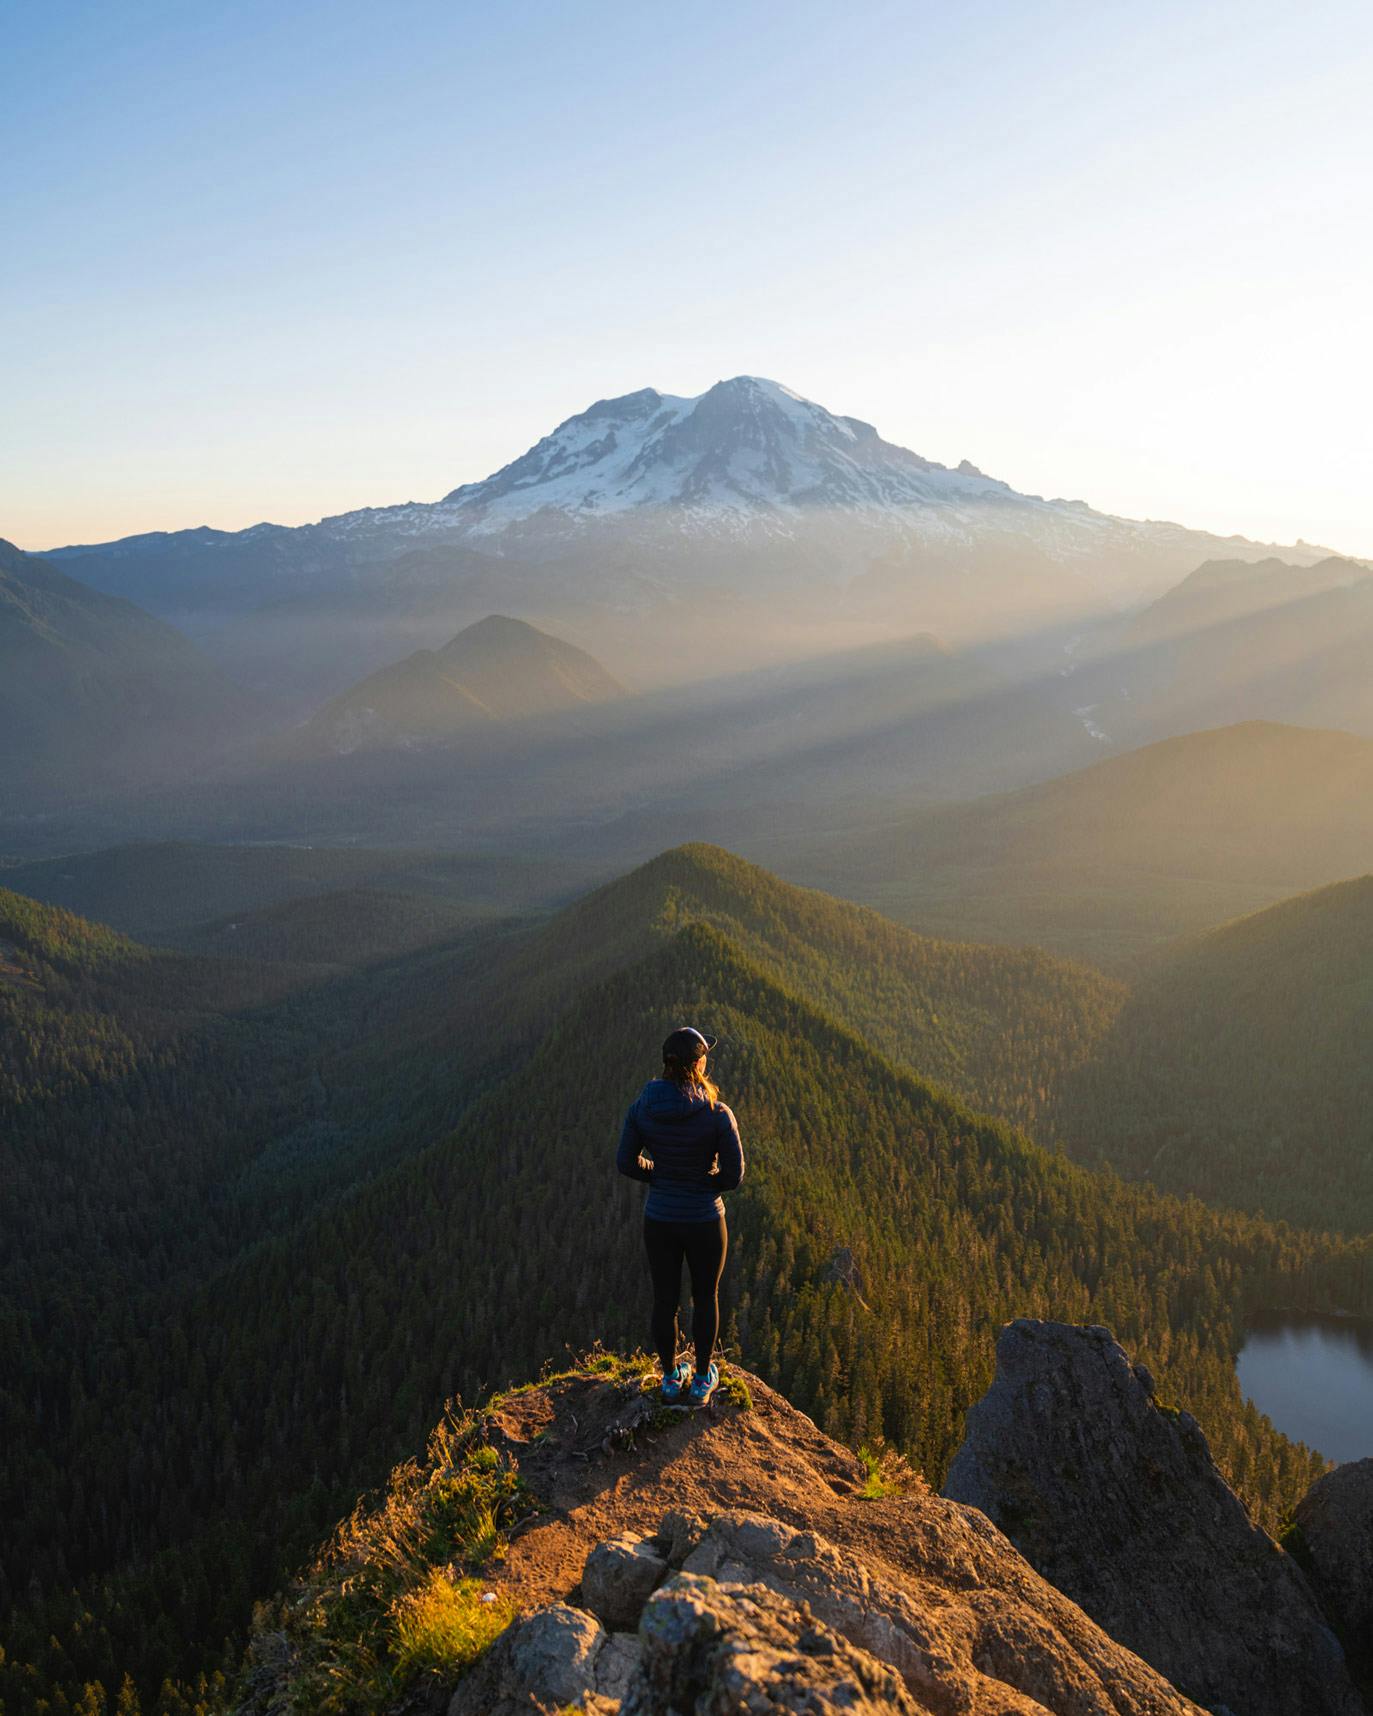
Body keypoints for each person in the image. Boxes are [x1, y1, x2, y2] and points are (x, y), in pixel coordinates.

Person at [616, 1025, 744, 1406]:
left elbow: (625, 1162)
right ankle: (703, 1378)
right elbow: (734, 1176)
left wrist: (661, 1174)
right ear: (698, 1063)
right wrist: (703, 1182)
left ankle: (671, 1379)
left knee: (664, 1300)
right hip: (705, 1219)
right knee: (705, 1297)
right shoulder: (717, 1113)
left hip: (661, 1219)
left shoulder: (642, 1108)